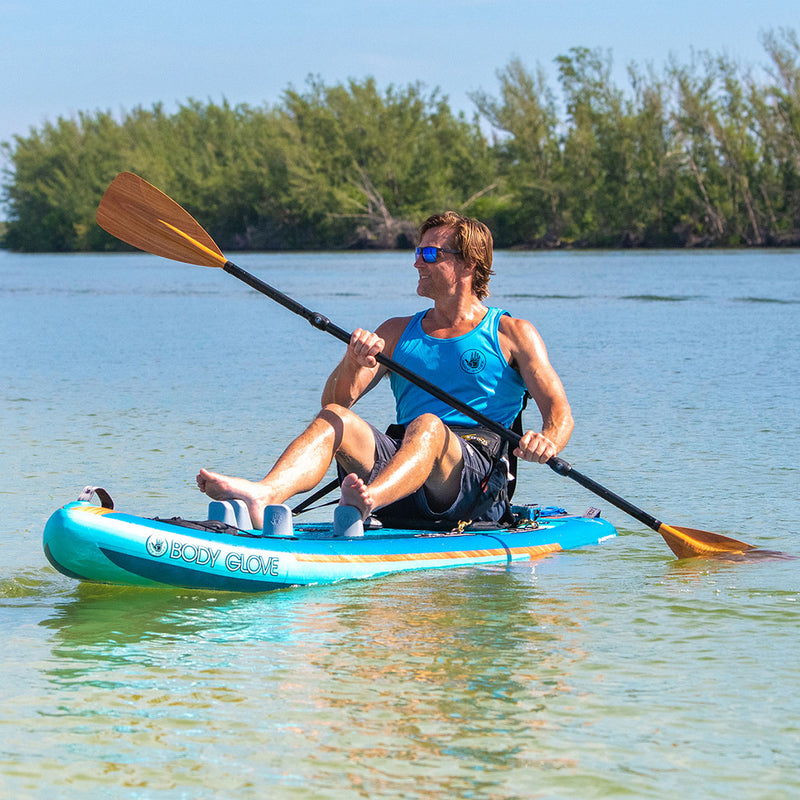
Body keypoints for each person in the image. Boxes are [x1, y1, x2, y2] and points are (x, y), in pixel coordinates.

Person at [196, 211, 573, 530]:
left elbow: (559, 415)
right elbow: (334, 404)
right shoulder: (395, 332)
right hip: (405, 474)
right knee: (335, 419)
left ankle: (364, 503)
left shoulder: (512, 333)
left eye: (430, 253)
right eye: (417, 252)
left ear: (468, 264)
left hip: (476, 485)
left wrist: (548, 442)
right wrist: (352, 361)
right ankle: (266, 493)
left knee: (427, 424)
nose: (416, 263)